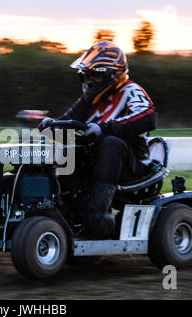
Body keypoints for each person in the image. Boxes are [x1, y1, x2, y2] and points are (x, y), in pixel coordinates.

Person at [39, 41, 157, 239]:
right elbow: (70, 119)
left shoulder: (131, 91)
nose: (90, 80)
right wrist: (51, 124)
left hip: (131, 164)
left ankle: (99, 215)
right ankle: (61, 210)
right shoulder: (90, 100)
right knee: (68, 147)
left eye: (96, 75)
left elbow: (148, 116)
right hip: (99, 161)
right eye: (88, 75)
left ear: (113, 76)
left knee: (111, 143)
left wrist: (105, 128)